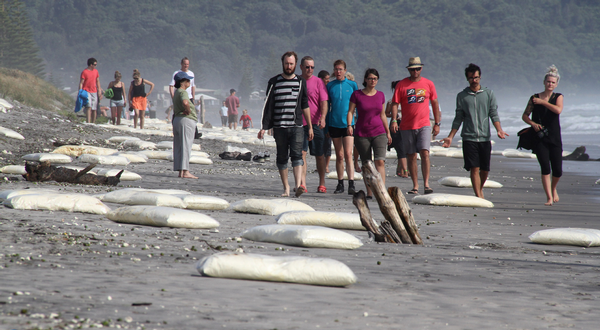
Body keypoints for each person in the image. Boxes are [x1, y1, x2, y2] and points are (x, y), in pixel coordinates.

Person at [441, 63, 508, 199]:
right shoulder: (462, 96)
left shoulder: (489, 94)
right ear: (467, 78)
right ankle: (478, 196)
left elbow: (493, 113)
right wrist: (450, 137)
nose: (474, 80)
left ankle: (479, 189)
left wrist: (499, 130)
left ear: (480, 77)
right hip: (469, 137)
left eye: (476, 77)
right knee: (474, 168)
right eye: (471, 78)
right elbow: (458, 118)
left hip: (484, 137)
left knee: (485, 170)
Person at [258, 51, 313, 197]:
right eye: (286, 63)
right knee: (282, 157)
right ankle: (286, 188)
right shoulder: (274, 82)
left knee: (297, 155)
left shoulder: (301, 82)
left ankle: (297, 186)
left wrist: (311, 126)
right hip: (279, 127)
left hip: (296, 126)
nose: (288, 66)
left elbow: (305, 105)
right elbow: (268, 106)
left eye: (291, 64)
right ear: (282, 64)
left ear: (296, 65)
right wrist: (264, 127)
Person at [390, 57, 441, 195]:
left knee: (425, 153)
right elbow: (395, 103)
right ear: (409, 70)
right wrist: (394, 120)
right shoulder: (402, 85)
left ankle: (426, 184)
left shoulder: (428, 84)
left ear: (421, 69)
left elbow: (435, 104)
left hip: (424, 124)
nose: (415, 71)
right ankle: (415, 186)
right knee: (411, 156)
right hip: (407, 126)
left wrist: (437, 123)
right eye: (412, 69)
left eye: (417, 69)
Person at [521, 65, 564, 206]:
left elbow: (558, 110)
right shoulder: (534, 98)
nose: (550, 84)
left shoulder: (558, 97)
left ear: (556, 84)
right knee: (545, 167)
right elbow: (525, 115)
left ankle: (553, 188)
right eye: (548, 82)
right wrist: (532, 123)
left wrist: (543, 102)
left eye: (553, 82)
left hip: (555, 137)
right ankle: (549, 197)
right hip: (539, 137)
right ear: (544, 82)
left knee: (557, 170)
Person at [347, 69, 391, 199]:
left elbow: (382, 115)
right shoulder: (357, 95)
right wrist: (349, 125)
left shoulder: (381, 95)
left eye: (375, 79)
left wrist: (388, 132)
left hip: (379, 132)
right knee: (367, 164)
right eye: (370, 78)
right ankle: (370, 192)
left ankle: (382, 191)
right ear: (365, 79)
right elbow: (350, 111)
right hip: (362, 133)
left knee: (380, 162)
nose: (373, 81)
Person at [327, 59, 359, 194]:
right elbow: (326, 106)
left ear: (345, 71)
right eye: (336, 69)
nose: (338, 71)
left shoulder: (352, 85)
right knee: (339, 155)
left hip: (349, 124)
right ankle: (340, 184)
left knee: (348, 154)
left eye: (340, 69)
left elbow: (358, 105)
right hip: (334, 123)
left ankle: (351, 183)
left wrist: (357, 121)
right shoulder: (330, 85)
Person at [299, 56, 328, 193]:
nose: (310, 69)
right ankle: (302, 183)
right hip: (300, 124)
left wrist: (323, 117)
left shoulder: (318, 82)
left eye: (312, 67)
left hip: (316, 123)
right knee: (302, 153)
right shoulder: (297, 81)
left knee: (319, 155)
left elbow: (324, 102)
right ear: (301, 67)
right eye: (307, 67)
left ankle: (322, 182)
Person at [171, 71, 198, 179]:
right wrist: (188, 110)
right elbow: (185, 102)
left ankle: (180, 171)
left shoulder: (176, 92)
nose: (189, 82)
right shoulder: (183, 92)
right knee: (186, 145)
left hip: (177, 120)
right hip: (186, 121)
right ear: (182, 82)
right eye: (187, 80)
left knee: (178, 146)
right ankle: (185, 171)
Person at [385, 80, 409, 178]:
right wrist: (394, 115)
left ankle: (400, 170)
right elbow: (386, 113)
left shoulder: (406, 99)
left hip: (406, 124)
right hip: (395, 125)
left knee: (405, 149)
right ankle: (405, 171)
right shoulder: (391, 101)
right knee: (401, 148)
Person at [318, 70, 333, 173]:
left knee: (327, 143)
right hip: (318, 120)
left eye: (328, 79)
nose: (328, 81)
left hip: (328, 119)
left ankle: (326, 166)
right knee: (319, 144)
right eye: (326, 79)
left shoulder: (329, 90)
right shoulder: (318, 89)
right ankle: (320, 165)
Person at [78, 58, 102, 124]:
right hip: (86, 91)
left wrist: (99, 90)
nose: (96, 66)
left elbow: (97, 81)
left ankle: (93, 122)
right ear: (91, 64)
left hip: (94, 91)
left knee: (94, 108)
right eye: (95, 64)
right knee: (89, 106)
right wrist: (80, 91)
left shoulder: (96, 71)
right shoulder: (84, 72)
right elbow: (81, 83)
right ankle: (88, 122)